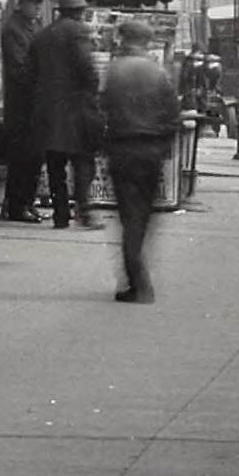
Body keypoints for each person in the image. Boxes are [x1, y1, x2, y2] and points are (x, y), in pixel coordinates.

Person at [98, 18, 182, 305]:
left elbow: (103, 111)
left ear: (125, 40)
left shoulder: (115, 71)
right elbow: (173, 115)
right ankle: (137, 277)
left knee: (128, 216)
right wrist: (162, 146)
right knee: (142, 216)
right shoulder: (158, 73)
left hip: (123, 150)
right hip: (150, 152)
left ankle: (138, 281)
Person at [28, 0, 104, 228]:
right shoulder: (78, 32)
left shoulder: (42, 35)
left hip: (48, 111)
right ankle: (85, 210)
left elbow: (31, 73)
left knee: (55, 166)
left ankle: (61, 214)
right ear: (79, 10)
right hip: (76, 111)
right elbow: (87, 70)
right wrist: (93, 92)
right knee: (83, 163)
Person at [0, 0, 47, 220]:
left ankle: (26, 201)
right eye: (34, 3)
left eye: (39, 3)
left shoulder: (34, 27)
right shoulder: (13, 29)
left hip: (35, 104)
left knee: (35, 156)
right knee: (22, 156)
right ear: (22, 3)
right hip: (21, 105)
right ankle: (17, 205)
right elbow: (19, 70)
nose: (37, 8)